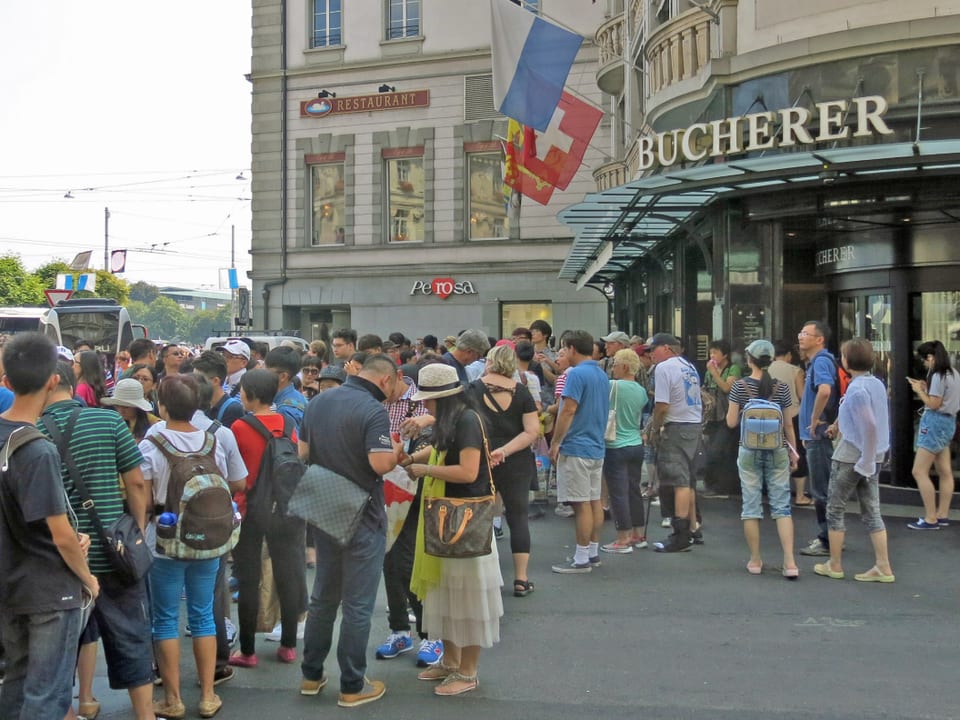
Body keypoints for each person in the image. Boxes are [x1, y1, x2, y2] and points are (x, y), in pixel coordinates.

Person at [40, 362, 156, 720]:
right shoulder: (108, 422)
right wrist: (134, 528)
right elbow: (137, 483)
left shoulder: (33, 431)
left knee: (63, 647)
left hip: (62, 557)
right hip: (116, 554)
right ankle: (145, 715)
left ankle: (73, 707)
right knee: (132, 637)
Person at [0, 333, 99, 720]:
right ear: (53, 380)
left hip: (9, 582)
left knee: (16, 686)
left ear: (5, 380)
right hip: (49, 589)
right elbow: (59, 532)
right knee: (48, 695)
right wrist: (88, 578)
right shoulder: (38, 449)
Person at [139, 374, 245, 719]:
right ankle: (208, 695)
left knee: (166, 618)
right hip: (210, 541)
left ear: (162, 406)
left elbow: (142, 495)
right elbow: (233, 482)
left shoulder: (151, 443)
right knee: (203, 617)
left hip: (165, 543)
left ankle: (173, 698)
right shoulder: (215, 438)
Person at [298, 354, 401, 708]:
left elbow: (303, 451)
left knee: (323, 596)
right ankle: (352, 685)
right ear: (386, 380)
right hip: (364, 512)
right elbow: (380, 463)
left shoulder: (319, 401)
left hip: (324, 505)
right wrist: (397, 451)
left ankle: (311, 675)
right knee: (357, 604)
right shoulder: (374, 411)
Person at [406, 363, 503, 696]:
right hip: (446, 516)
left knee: (468, 598)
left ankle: (468, 670)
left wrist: (423, 468)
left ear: (443, 399)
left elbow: (467, 471)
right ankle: (450, 661)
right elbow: (439, 451)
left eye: (428, 402)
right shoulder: (454, 419)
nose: (425, 407)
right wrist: (413, 460)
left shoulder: (467, 421)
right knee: (446, 593)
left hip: (463, 519)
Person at [229, 370, 306, 668]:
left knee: (249, 579)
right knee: (288, 575)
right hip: (286, 506)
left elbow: (235, 469)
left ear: (250, 394)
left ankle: (247, 651)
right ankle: (287, 645)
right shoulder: (288, 423)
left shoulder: (239, 426)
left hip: (251, 508)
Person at [813, 338, 895, 582]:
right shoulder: (876, 384)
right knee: (872, 511)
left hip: (852, 455)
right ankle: (883, 565)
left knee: (835, 508)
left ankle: (835, 564)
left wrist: (865, 459)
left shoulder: (857, 388)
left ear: (847, 361)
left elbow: (868, 423)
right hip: (876, 455)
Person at [467, 344, 540, 595]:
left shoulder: (473, 389)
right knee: (518, 517)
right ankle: (521, 579)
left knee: (479, 516)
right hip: (516, 461)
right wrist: (505, 451)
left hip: (478, 457)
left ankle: (482, 576)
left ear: (489, 361)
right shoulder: (521, 392)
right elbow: (532, 431)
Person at [725, 340, 799, 578]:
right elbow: (788, 424)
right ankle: (789, 562)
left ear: (749, 359)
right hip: (777, 449)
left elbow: (731, 422)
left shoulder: (739, 387)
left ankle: (755, 560)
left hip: (748, 449)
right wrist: (793, 452)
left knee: (751, 507)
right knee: (782, 507)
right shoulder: (781, 388)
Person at [549, 330, 610, 573]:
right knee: (594, 501)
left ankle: (581, 557)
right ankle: (592, 551)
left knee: (580, 503)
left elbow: (568, 410)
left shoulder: (575, 375)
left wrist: (555, 442)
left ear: (572, 348)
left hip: (576, 445)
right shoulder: (600, 373)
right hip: (596, 444)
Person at [648, 333, 703, 552]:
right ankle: (692, 527)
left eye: (654, 349)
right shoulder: (688, 366)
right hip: (693, 424)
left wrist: (654, 427)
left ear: (667, 348)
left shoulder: (665, 368)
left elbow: (662, 404)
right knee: (688, 480)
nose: (651, 353)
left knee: (678, 480)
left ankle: (680, 534)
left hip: (676, 425)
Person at [600, 348, 649, 554]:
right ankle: (638, 533)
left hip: (615, 444)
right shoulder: (641, 390)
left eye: (615, 364)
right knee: (633, 489)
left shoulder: (613, 386)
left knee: (617, 492)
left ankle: (623, 537)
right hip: (635, 443)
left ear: (625, 367)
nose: (612, 368)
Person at [906, 339, 959, 529]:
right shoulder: (954, 373)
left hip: (935, 422)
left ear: (930, 357)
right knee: (945, 471)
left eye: (925, 360)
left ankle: (930, 518)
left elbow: (934, 404)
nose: (924, 364)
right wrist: (927, 389)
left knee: (919, 471)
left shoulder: (937, 375)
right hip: (949, 422)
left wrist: (919, 391)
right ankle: (942, 514)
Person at [796, 321, 838, 557]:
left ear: (819, 339)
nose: (801, 337)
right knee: (824, 486)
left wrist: (812, 421)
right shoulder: (818, 361)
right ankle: (832, 535)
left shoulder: (821, 361)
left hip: (818, 433)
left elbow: (824, 390)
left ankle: (827, 540)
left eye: (806, 333)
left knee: (821, 489)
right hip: (814, 434)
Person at [769, 340, 810, 505]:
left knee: (774, 452)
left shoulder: (766, 370)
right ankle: (800, 495)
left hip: (770, 416)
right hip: (792, 415)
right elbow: (802, 395)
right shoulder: (795, 370)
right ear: (788, 355)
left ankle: (776, 493)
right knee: (797, 452)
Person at [701, 339, 743, 497]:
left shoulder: (733, 369)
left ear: (725, 354)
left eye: (715, 352)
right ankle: (713, 484)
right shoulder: (709, 371)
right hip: (712, 416)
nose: (712, 356)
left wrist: (714, 372)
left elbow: (727, 387)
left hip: (727, 415)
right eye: (710, 352)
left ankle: (722, 485)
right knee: (710, 449)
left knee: (719, 451)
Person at [102, 377, 161, 442]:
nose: (121, 410)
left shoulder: (155, 425)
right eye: (117, 406)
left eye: (126, 407)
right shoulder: (114, 423)